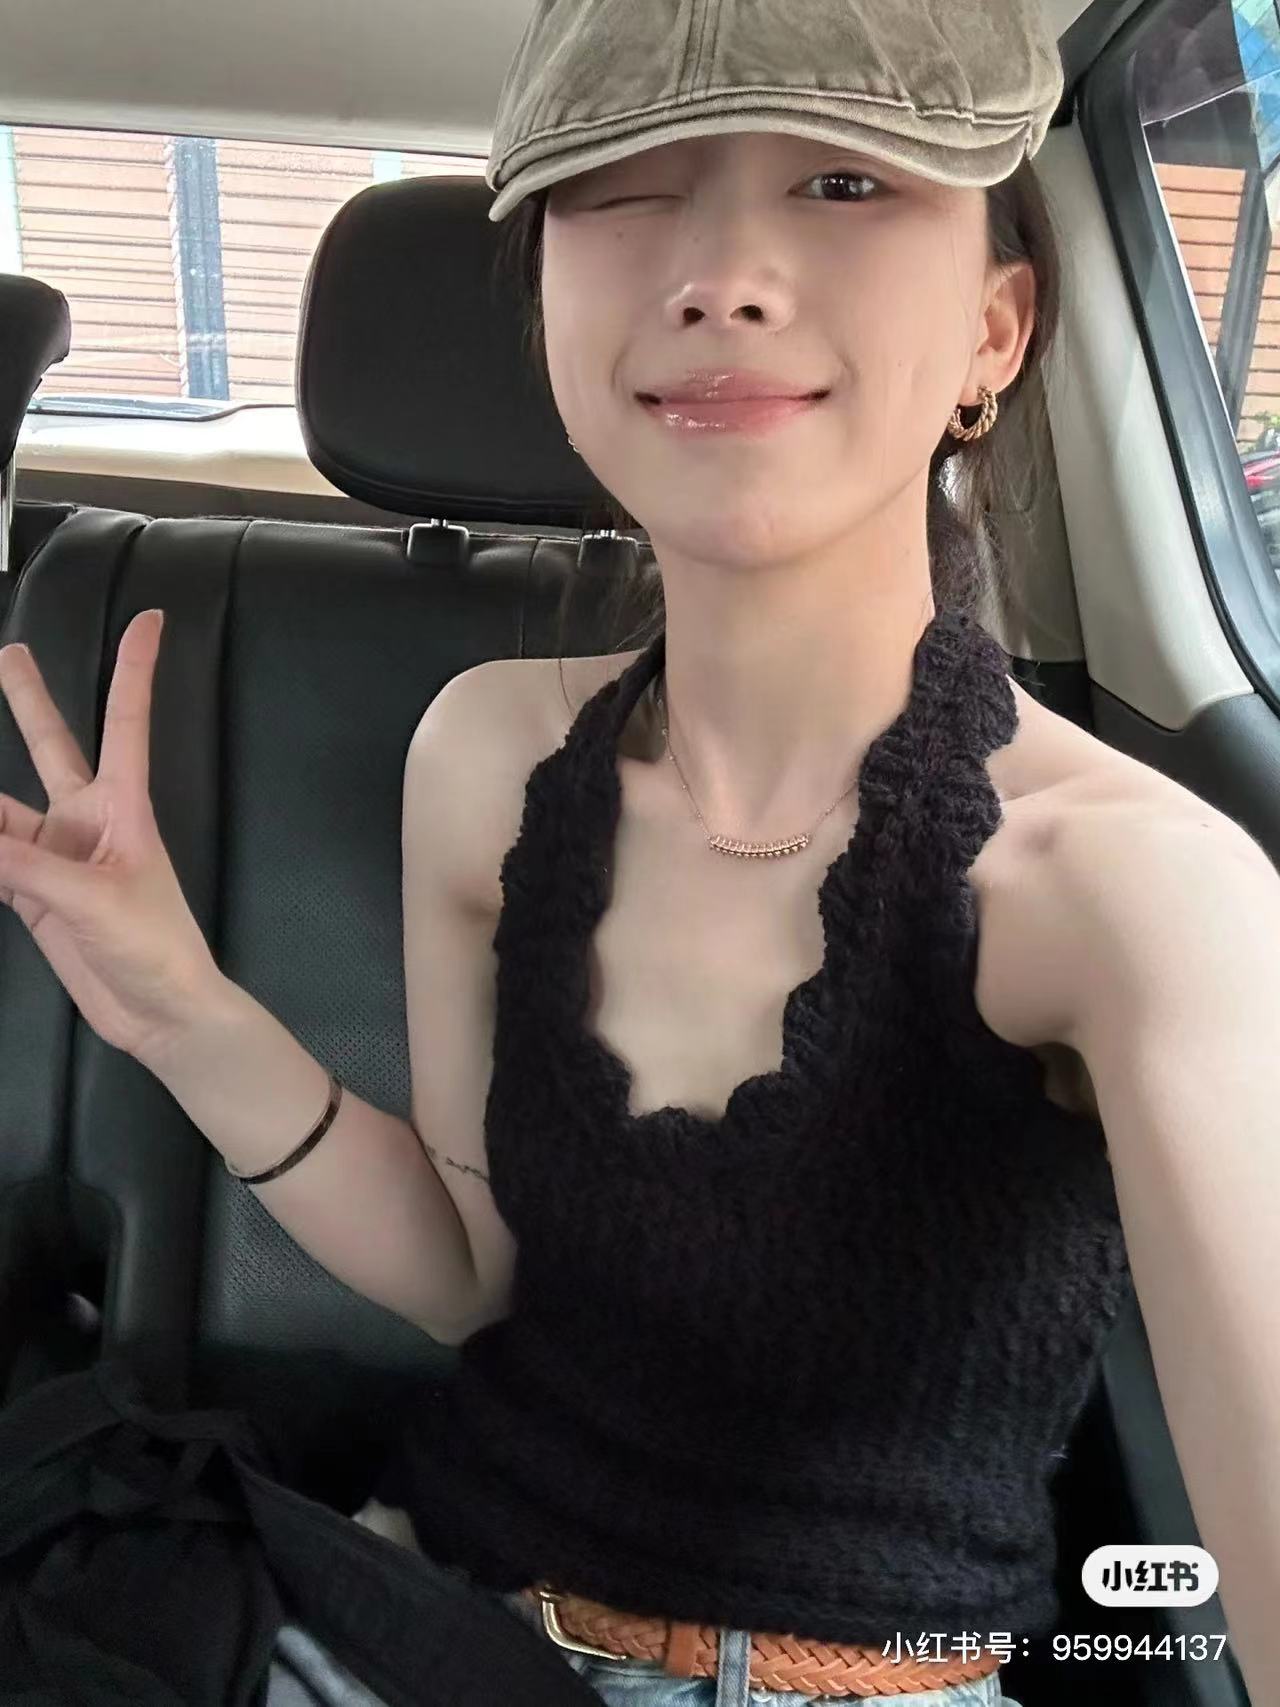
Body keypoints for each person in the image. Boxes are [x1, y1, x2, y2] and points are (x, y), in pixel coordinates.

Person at [4, 2, 1274, 1704]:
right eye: (625, 186)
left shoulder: (1132, 892)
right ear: (548, 313)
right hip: (416, 1609)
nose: (722, 272)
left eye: (844, 180)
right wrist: (176, 1008)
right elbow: (477, 1279)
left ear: (995, 328)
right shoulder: (488, 756)